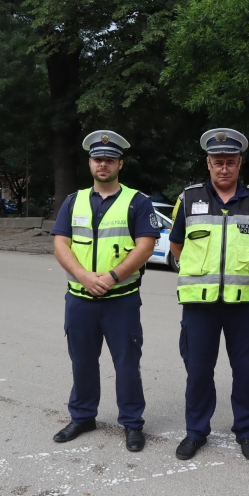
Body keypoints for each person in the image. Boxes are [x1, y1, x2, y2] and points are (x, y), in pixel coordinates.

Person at [169, 128, 249, 461]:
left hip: (244, 305)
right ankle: (195, 432)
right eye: (217, 162)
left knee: (245, 372)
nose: (223, 168)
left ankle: (245, 431)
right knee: (198, 372)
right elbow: (177, 246)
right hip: (199, 305)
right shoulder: (187, 199)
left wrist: (248, 274)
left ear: (239, 163)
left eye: (230, 162)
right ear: (208, 163)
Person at [49, 130, 159, 452]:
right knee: (82, 362)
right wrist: (83, 276)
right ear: (89, 162)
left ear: (120, 164)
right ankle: (83, 417)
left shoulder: (137, 201)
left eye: (110, 160)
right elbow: (60, 243)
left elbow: (146, 246)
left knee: (127, 364)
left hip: (121, 300)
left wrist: (112, 277)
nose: (103, 164)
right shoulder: (74, 201)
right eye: (98, 159)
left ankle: (132, 424)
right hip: (79, 299)